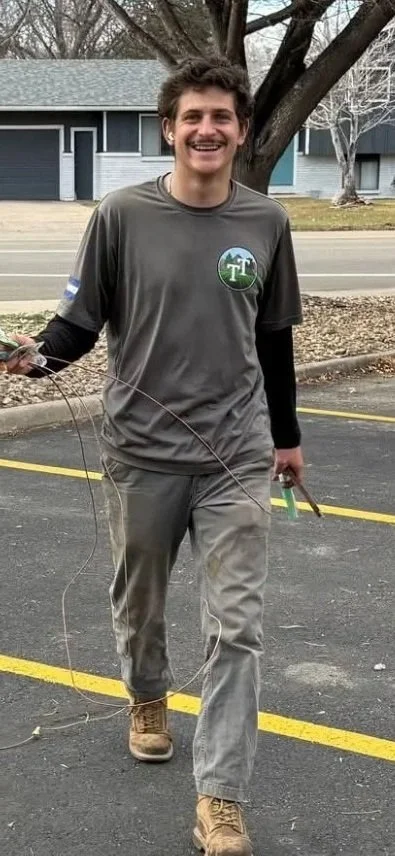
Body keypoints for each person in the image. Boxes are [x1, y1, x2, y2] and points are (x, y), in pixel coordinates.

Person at [7, 56, 304, 856]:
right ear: (169, 130)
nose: (206, 129)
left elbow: (271, 338)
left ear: (240, 132)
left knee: (237, 626)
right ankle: (146, 697)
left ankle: (220, 797)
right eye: (192, 117)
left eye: (222, 117)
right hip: (141, 449)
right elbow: (79, 326)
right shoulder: (121, 216)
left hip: (236, 454)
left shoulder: (265, 224)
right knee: (140, 601)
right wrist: (36, 356)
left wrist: (286, 438)